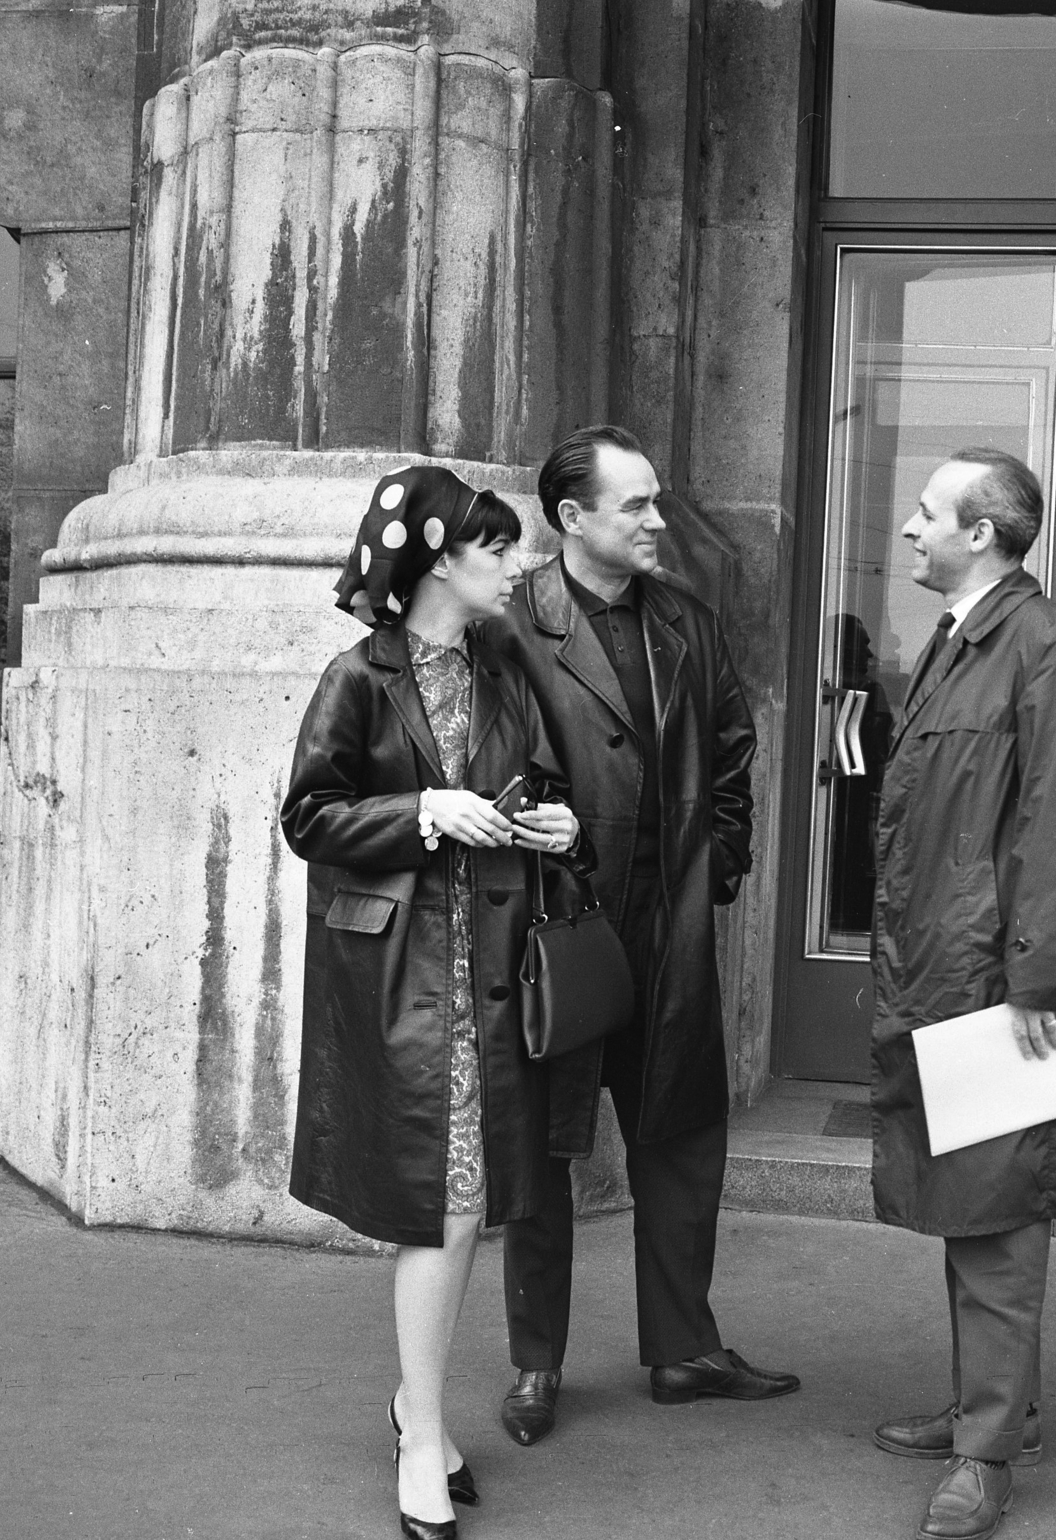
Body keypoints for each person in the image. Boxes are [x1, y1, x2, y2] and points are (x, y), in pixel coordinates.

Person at [281, 466, 593, 1540]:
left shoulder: (501, 663)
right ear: (438, 561)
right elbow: (311, 817)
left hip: (491, 966)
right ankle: (420, 1432)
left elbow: (541, 783)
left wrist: (555, 827)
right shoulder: (358, 677)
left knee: (463, 1203)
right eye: (497, 547)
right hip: (402, 976)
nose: (516, 563)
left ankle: (418, 1406)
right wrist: (423, 810)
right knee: (445, 1203)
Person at [485, 423, 798, 1445]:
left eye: (656, 499)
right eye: (636, 504)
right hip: (558, 923)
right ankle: (536, 1362)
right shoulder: (510, 623)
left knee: (682, 1137)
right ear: (572, 518)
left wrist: (720, 862)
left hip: (668, 920)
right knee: (541, 1150)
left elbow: (733, 752)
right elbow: (480, 755)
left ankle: (682, 1348)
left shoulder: (688, 622)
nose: (658, 518)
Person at [869, 449, 1056, 1540]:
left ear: (978, 534)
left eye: (926, 513)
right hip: (956, 967)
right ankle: (993, 1408)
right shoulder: (966, 642)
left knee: (998, 1212)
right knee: (970, 1202)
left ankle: (986, 1453)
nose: (907, 528)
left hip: (1003, 980)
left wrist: (1040, 977)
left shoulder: (1044, 645)